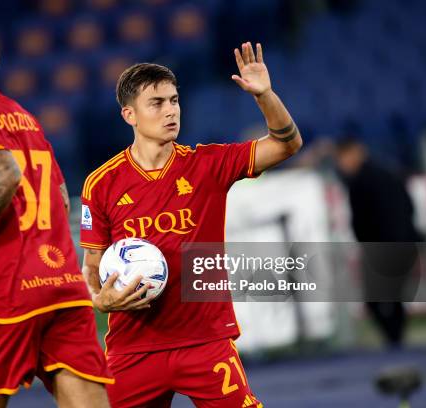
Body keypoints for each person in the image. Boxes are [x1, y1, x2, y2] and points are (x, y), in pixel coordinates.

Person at [80, 43, 303, 408]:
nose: (170, 111)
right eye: (157, 103)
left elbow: (287, 144)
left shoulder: (208, 164)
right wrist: (99, 298)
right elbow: (91, 266)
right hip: (134, 349)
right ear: (129, 115)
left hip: (206, 343)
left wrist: (265, 96)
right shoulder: (101, 183)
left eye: (174, 101)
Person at [0, 14, 111, 408]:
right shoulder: (24, 118)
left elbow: (6, 175)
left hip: (4, 293)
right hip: (62, 284)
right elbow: (58, 196)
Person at [335, 137, 424, 348]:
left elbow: (366, 220)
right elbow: (408, 206)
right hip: (400, 244)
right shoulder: (389, 172)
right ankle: (396, 339)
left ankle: (394, 339)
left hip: (382, 247)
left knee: (379, 299)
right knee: (391, 297)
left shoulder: (361, 181)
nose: (341, 164)